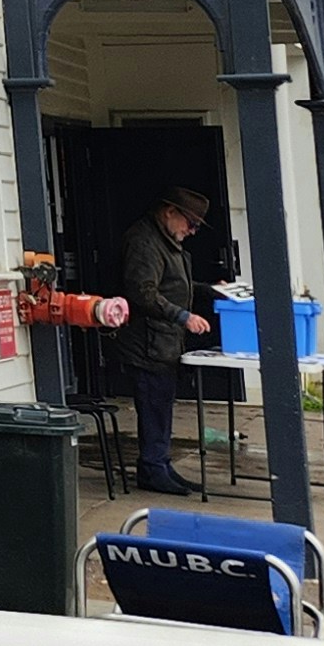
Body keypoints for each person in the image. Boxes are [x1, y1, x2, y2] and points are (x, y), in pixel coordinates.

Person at [115, 185, 217, 495]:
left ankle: (159, 464)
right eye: (191, 222)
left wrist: (212, 290)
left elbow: (176, 285)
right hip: (147, 344)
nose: (193, 230)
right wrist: (183, 317)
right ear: (169, 211)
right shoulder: (145, 242)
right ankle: (152, 469)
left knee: (160, 407)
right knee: (153, 406)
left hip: (162, 344)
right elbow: (143, 293)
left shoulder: (165, 242)